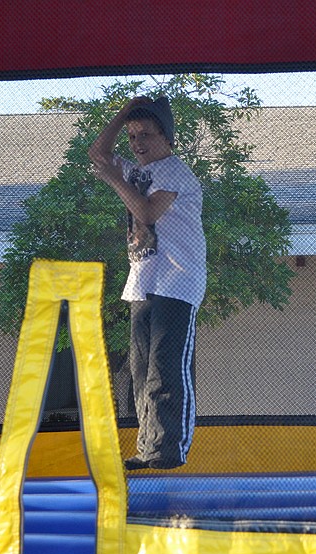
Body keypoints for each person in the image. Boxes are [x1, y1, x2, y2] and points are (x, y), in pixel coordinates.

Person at [88, 96, 206, 470]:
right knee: (141, 370)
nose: (137, 143)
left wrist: (115, 180)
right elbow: (98, 154)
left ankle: (170, 450)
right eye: (133, 136)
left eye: (147, 135)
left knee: (165, 368)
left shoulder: (173, 171)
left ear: (166, 138)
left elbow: (147, 212)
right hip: (143, 280)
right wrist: (122, 113)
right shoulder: (132, 168)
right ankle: (148, 447)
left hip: (178, 280)